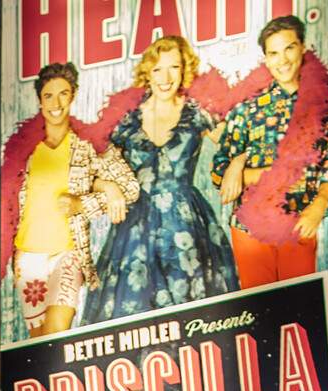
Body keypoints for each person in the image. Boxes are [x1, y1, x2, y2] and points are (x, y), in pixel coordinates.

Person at [81, 35, 238, 325]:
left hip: (187, 227)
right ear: (147, 73)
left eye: (174, 68)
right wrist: (109, 187)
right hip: (134, 231)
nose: (166, 78)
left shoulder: (198, 113)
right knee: (134, 318)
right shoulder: (125, 119)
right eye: (157, 69)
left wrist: (237, 165)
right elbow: (87, 170)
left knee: (194, 318)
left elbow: (239, 144)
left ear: (184, 70)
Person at [4, 61, 137, 337]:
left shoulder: (89, 144)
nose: (56, 102)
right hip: (28, 257)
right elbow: (5, 202)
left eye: (63, 93)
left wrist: (86, 201)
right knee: (38, 341)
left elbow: (129, 188)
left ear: (73, 94)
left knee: (56, 332)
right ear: (39, 100)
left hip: (68, 253)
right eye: (48, 95)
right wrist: (101, 184)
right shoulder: (23, 148)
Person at [210, 14, 328, 289]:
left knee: (300, 313)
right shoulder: (249, 108)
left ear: (303, 47)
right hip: (250, 228)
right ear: (266, 59)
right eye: (274, 53)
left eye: (289, 48)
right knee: (259, 315)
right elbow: (219, 172)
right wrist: (243, 168)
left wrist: (319, 204)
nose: (283, 60)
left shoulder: (327, 103)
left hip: (298, 219)